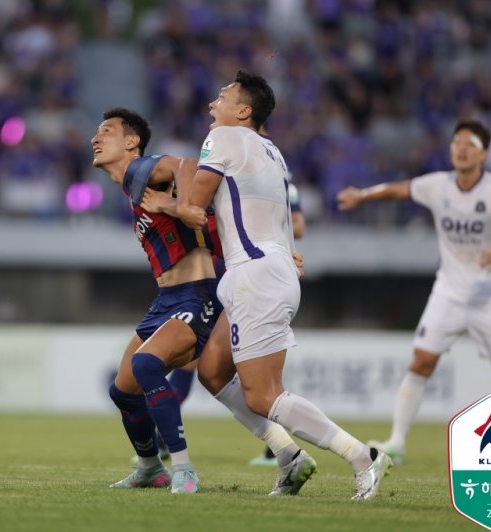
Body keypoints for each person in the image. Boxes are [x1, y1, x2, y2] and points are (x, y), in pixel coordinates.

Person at [178, 70, 392, 501]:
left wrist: (160, 199)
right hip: (265, 269)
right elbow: (277, 215)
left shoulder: (223, 137)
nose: (212, 104)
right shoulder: (271, 151)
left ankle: (362, 456)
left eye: (223, 96)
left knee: (262, 395)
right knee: (213, 370)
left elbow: (194, 207)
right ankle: (289, 457)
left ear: (244, 111)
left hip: (255, 274)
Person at [94, 107, 317, 497]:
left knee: (149, 366)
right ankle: (150, 468)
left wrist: (178, 206)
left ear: (132, 142)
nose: (95, 138)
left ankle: (183, 470)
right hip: (166, 299)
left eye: (107, 131)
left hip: (196, 296)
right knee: (123, 390)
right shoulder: (136, 191)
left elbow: (188, 163)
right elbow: (210, 229)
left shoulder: (141, 169)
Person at [336, 120, 491, 465]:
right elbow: (398, 190)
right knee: (422, 361)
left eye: (469, 144)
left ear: (484, 153)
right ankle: (396, 443)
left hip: (490, 292)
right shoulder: (437, 185)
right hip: (449, 291)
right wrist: (362, 195)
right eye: (456, 142)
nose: (460, 148)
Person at [249, 180, 306, 467]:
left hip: (264, 278)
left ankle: (282, 449)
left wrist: (273, 237)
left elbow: (299, 226)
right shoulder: (228, 172)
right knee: (211, 369)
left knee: (256, 379)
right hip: (240, 274)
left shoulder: (283, 184)